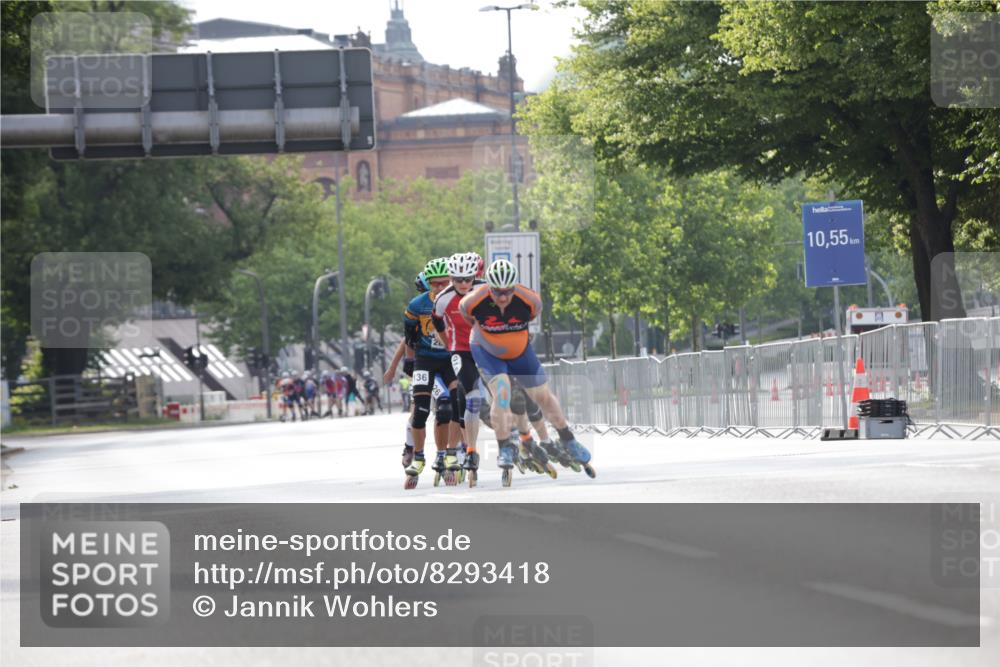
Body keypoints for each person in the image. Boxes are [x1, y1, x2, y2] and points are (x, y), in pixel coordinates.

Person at [459, 258, 593, 485]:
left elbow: (531, 316)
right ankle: (504, 447)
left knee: (542, 396)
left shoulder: (530, 300)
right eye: (497, 292)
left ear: (515, 286)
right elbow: (467, 316)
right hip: (487, 352)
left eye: (508, 292)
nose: (502, 298)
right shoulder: (472, 301)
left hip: (520, 351)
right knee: (502, 394)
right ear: (488, 287)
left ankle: (568, 439)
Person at [402, 257, 460, 487]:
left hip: (449, 359)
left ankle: (444, 454)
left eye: (444, 282)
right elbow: (409, 337)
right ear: (428, 283)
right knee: (421, 411)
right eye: (435, 283)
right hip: (425, 359)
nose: (439, 287)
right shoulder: (417, 306)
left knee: (450, 405)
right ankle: (417, 457)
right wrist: (408, 359)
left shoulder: (459, 302)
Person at [432, 251, 486, 482]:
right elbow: (436, 323)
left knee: (506, 390)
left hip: (486, 349)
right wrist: (449, 344)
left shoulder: (485, 289)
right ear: (451, 278)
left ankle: (514, 436)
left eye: (468, 279)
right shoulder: (442, 299)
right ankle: (471, 451)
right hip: (461, 351)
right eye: (458, 280)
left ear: (475, 276)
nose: (464, 284)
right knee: (470, 398)